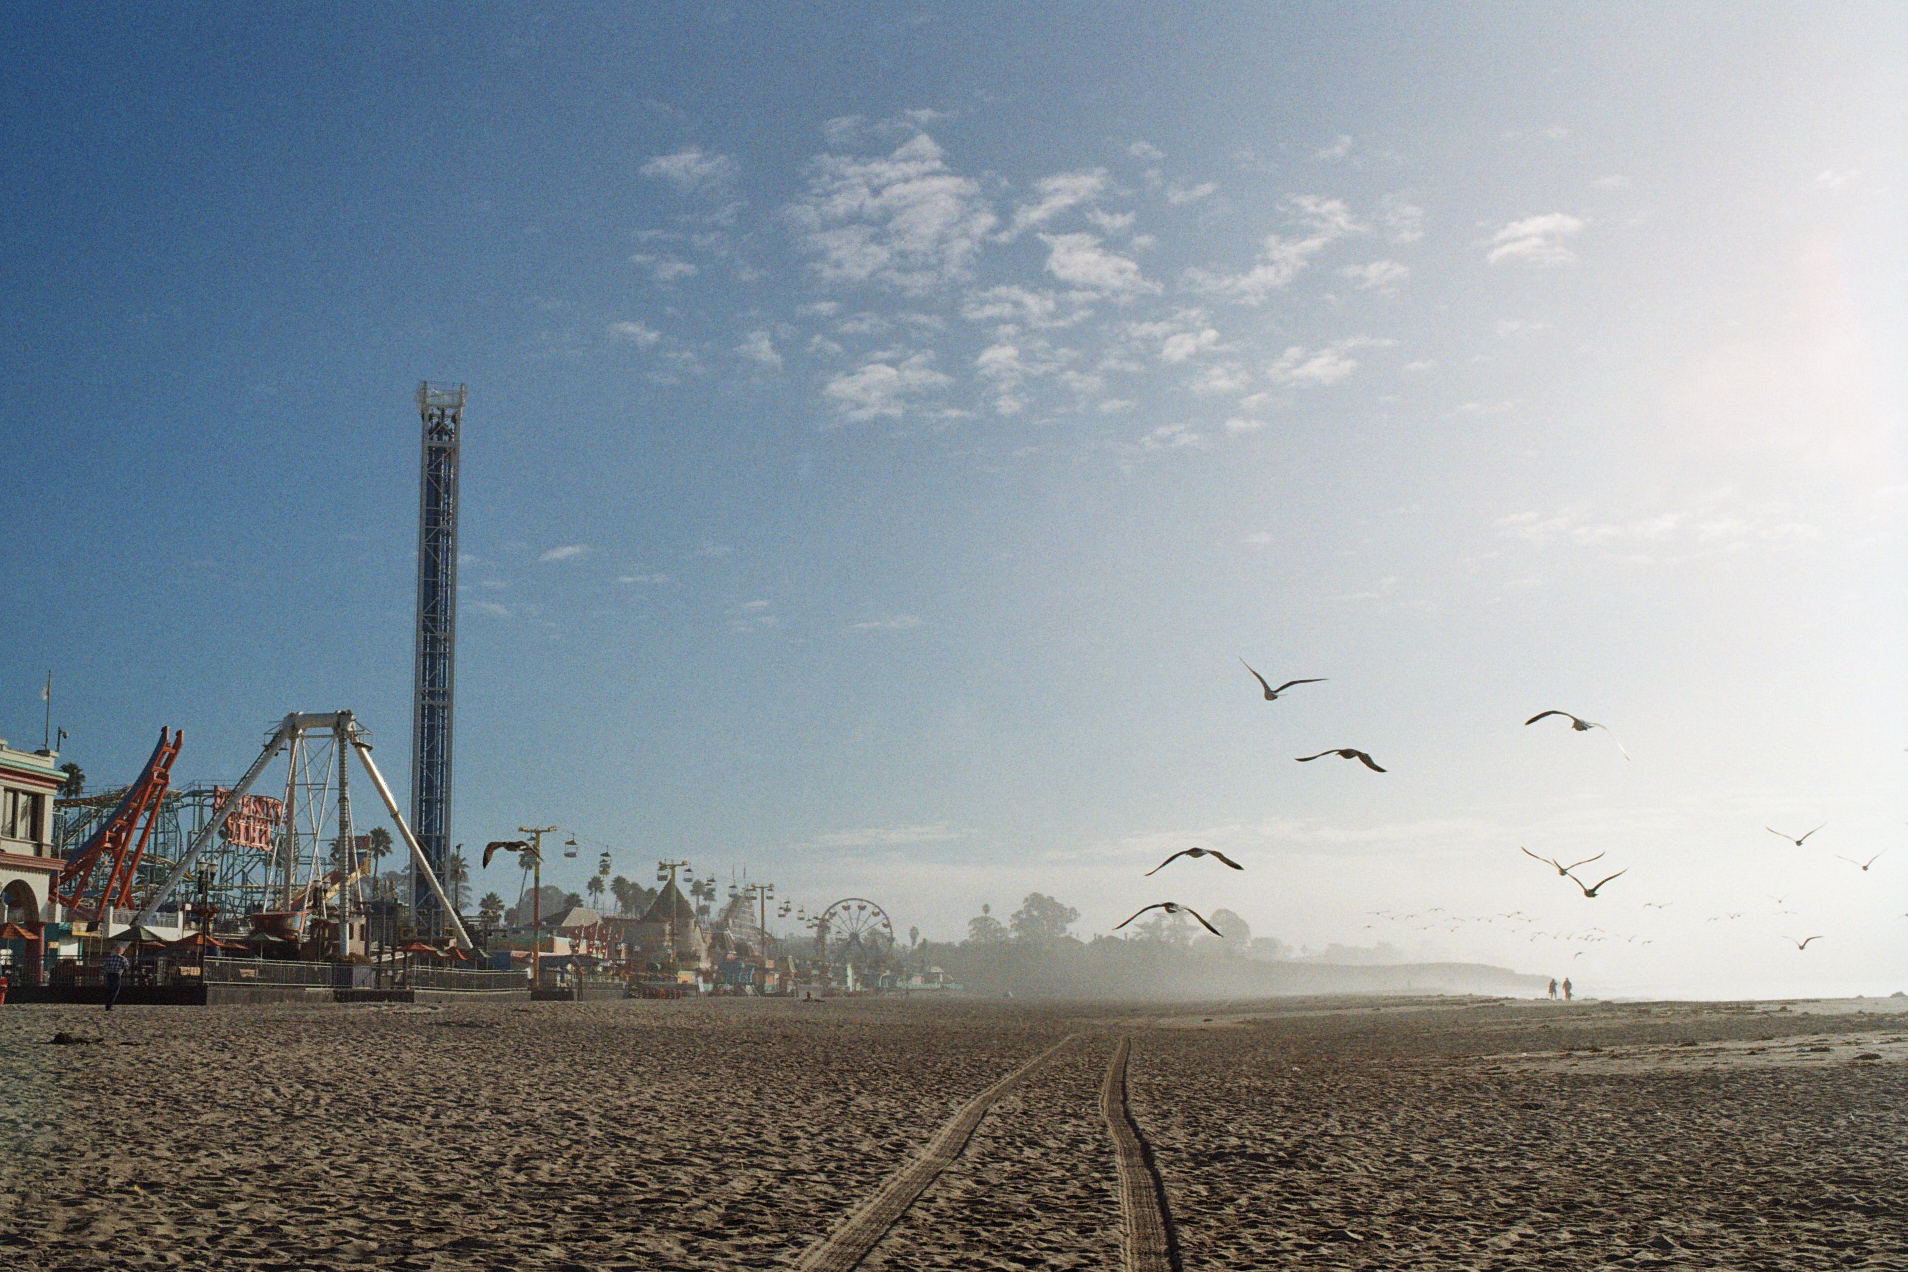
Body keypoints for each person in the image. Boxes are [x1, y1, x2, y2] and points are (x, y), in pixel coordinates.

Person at [101, 943, 129, 1012]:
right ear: (122, 951)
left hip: (109, 974)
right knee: (115, 990)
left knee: (110, 989)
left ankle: (108, 1004)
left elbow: (104, 967)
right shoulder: (123, 958)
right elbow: (127, 967)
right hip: (117, 974)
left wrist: (101, 977)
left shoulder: (110, 958)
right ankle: (109, 1005)